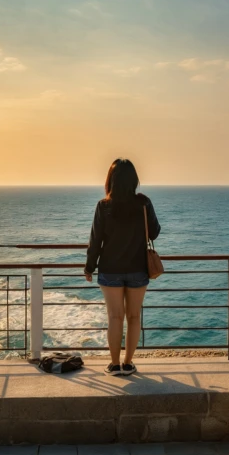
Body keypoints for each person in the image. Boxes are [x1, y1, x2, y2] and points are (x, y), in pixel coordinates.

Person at [84, 158, 161, 376]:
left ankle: (114, 364)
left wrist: (89, 267)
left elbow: (95, 240)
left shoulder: (103, 206)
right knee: (134, 316)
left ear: (111, 180)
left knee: (115, 317)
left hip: (110, 270)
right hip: (138, 268)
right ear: (134, 180)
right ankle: (128, 363)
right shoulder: (144, 203)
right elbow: (154, 232)